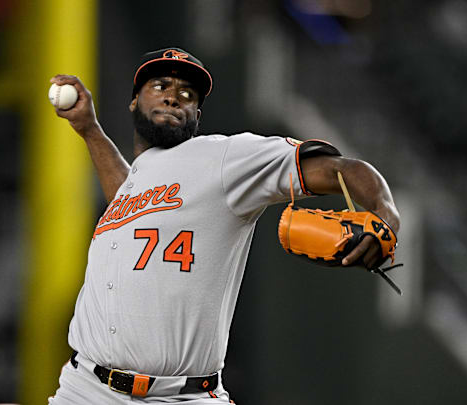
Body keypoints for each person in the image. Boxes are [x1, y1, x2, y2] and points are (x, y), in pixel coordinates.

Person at [47, 47, 400, 404]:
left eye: (186, 94)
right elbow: (128, 200)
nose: (173, 96)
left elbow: (342, 169)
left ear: (196, 116)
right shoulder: (139, 184)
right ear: (134, 102)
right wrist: (89, 129)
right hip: (86, 388)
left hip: (181, 396)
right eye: (160, 85)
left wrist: (386, 210)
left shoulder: (224, 158)